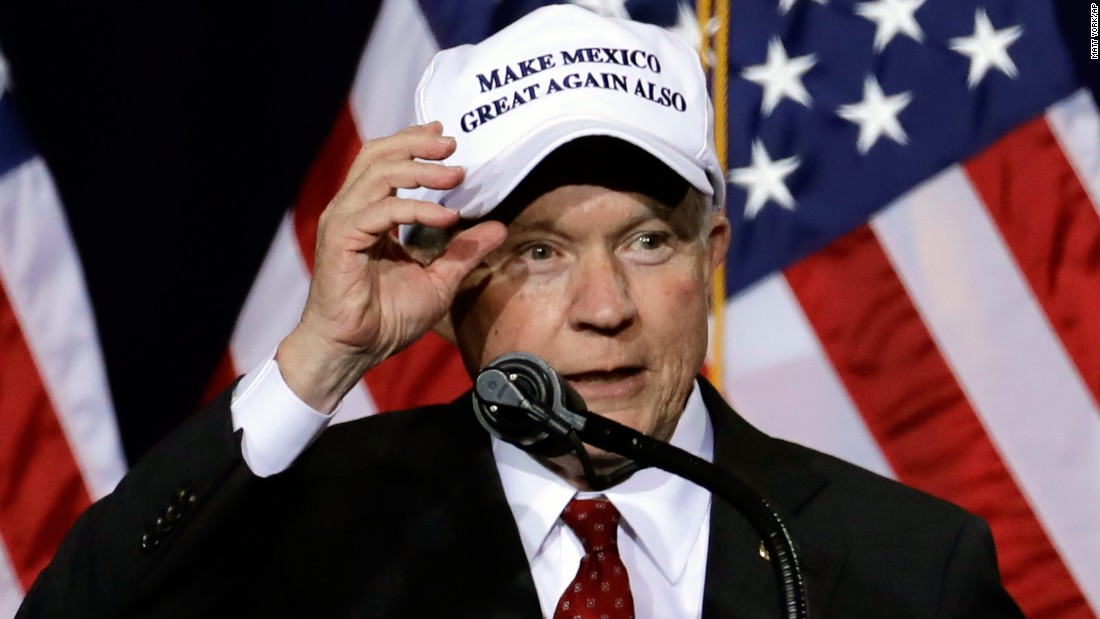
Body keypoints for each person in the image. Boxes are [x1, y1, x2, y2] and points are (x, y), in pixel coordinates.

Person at [19, 5, 1023, 618]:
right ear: (448, 280)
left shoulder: (904, 566)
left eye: (645, 241)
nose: (603, 308)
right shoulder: (309, 538)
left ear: (708, 258)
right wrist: (318, 357)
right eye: (538, 252)